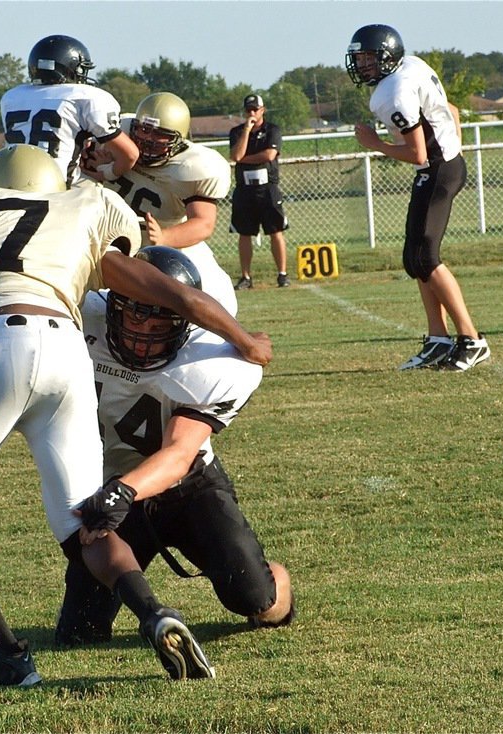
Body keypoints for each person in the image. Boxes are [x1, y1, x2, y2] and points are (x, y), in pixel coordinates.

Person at [0, 145, 272, 688]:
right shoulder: (80, 213)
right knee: (82, 521)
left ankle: (3, 653)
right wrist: (248, 341)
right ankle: (155, 612)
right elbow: (174, 293)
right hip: (68, 354)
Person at [55, 246, 294, 648]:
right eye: (133, 316)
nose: (142, 337)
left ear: (185, 325)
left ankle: (274, 577)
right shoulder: (83, 320)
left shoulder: (210, 363)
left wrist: (120, 492)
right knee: (80, 630)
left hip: (186, 489)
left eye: (158, 326)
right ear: (113, 307)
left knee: (257, 599)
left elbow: (180, 453)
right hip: (113, 484)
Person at [347, 24, 489, 371]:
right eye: (360, 58)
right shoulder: (412, 66)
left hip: (436, 170)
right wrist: (454, 150)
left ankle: (471, 339)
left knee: (426, 256)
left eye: (368, 58)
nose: (363, 65)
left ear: (386, 57)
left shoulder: (390, 94)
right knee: (414, 259)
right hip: (443, 167)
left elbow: (418, 154)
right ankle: (438, 339)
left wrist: (375, 144)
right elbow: (451, 110)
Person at [82, 91, 238, 316]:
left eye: (160, 135)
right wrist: (97, 165)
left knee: (212, 300)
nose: (148, 139)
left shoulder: (192, 167)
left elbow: (203, 223)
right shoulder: (112, 141)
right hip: (112, 250)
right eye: (144, 130)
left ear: (178, 138)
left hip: (172, 251)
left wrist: (165, 237)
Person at [0, 34, 138, 187]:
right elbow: (130, 155)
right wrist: (106, 174)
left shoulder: (12, 97)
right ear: (69, 69)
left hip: (11, 184)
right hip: (57, 188)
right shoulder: (86, 97)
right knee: (115, 208)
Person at [229, 94, 291, 290]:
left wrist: (245, 158)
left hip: (268, 188)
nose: (252, 113)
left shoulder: (272, 130)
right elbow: (236, 155)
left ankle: (282, 274)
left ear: (263, 110)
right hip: (244, 189)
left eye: (256, 109)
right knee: (244, 233)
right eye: (249, 110)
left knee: (275, 231)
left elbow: (269, 155)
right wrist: (246, 131)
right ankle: (246, 277)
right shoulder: (237, 132)